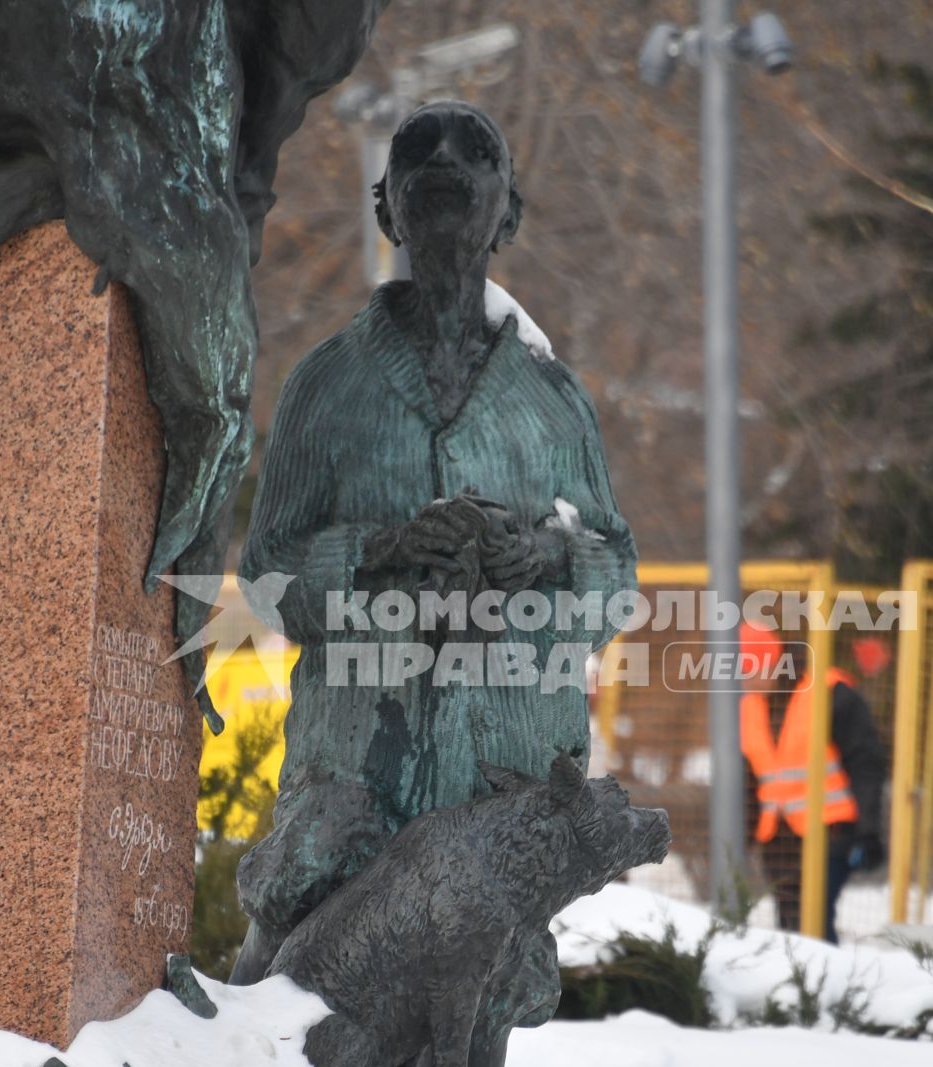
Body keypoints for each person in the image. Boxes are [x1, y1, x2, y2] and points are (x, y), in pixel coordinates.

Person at [230, 101, 638, 983]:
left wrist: (549, 557)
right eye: (420, 152)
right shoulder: (327, 385)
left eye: (475, 153)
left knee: (477, 1010)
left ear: (510, 212)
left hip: (506, 766)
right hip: (359, 767)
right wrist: (379, 549)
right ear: (389, 211)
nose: (446, 160)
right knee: (297, 964)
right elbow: (267, 574)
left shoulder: (553, 398)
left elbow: (619, 573)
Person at [738, 623, 887, 943]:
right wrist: (739, 839)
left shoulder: (830, 694)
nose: (746, 681)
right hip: (778, 842)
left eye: (751, 669)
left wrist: (868, 831)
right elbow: (750, 782)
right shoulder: (748, 707)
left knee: (814, 924)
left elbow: (866, 765)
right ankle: (803, 989)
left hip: (829, 833)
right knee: (791, 927)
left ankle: (823, 989)